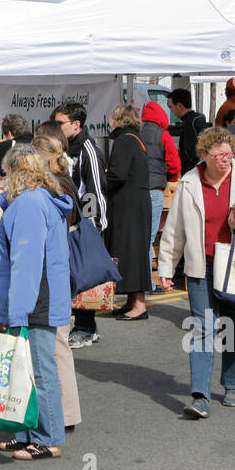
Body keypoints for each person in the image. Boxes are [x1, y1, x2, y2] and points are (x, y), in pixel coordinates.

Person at [157, 127, 235, 418]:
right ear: (204, 155)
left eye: (228, 153)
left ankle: (233, 384)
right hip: (201, 266)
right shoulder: (189, 182)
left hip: (234, 264)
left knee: (233, 325)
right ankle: (200, 395)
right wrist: (166, 268)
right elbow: (174, 230)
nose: (225, 158)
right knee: (202, 327)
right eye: (218, 154)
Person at [0, 143, 73, 460]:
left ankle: (47, 438)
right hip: (39, 294)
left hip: (36, 298)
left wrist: (17, 313)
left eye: (3, 172)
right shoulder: (34, 200)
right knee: (25, 370)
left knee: (39, 370)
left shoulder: (29, 204)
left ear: (13, 172)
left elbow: (27, 261)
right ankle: (25, 434)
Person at [30, 131, 83, 431]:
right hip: (58, 272)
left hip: (53, 273)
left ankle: (62, 414)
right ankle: (64, 412)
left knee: (55, 346)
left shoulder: (55, 188)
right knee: (56, 345)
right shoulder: (62, 184)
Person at [52, 102, 107, 348]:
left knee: (85, 275)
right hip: (65, 222)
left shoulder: (87, 149)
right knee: (71, 275)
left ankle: (85, 327)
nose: (57, 127)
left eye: (60, 123)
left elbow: (95, 188)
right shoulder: (61, 149)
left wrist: (92, 224)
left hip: (84, 223)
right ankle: (85, 326)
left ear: (76, 124)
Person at [104, 104, 153, 320]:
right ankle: (133, 300)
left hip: (128, 205)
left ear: (117, 120)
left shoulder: (124, 141)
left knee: (131, 252)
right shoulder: (136, 139)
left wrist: (101, 178)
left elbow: (118, 175)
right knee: (134, 251)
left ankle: (139, 304)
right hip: (137, 202)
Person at [140, 100, 181, 259]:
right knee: (149, 240)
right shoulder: (163, 134)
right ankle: (148, 283)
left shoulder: (136, 132)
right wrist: (170, 179)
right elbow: (174, 164)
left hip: (136, 190)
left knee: (138, 238)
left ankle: (138, 279)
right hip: (155, 191)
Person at [170, 88, 210, 174]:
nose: (171, 110)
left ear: (179, 105)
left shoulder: (189, 123)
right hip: (199, 168)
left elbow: (190, 152)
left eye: (171, 107)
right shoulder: (195, 119)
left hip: (192, 171)